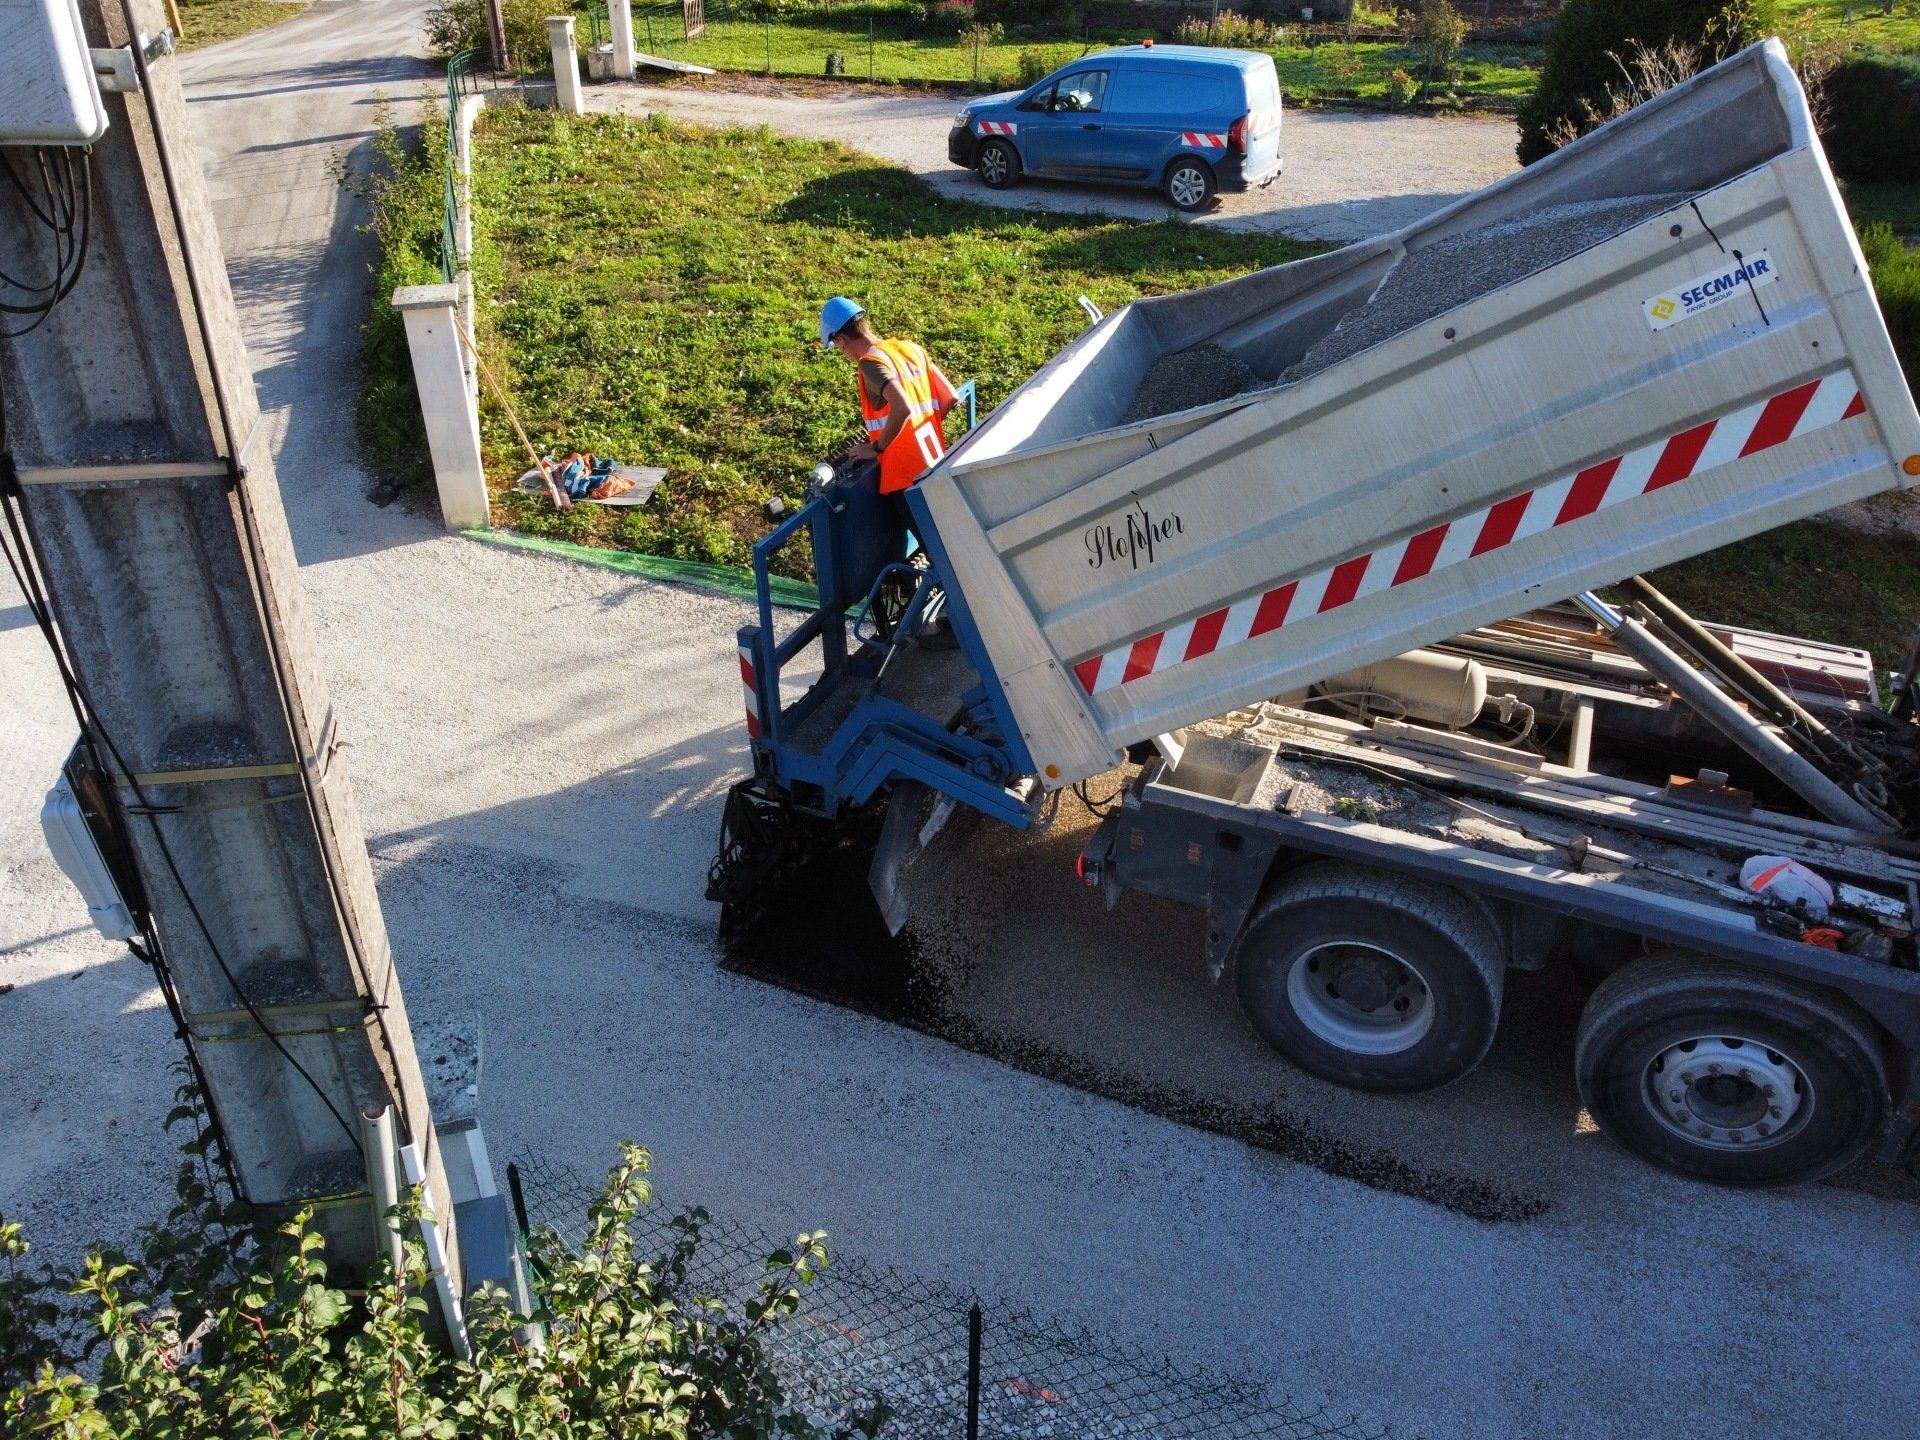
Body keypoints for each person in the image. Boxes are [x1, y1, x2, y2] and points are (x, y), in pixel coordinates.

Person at [818, 297, 959, 513]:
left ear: (841, 340)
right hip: (936, 464)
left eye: (837, 346)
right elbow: (949, 396)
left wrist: (875, 448)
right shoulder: (911, 349)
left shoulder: (870, 363)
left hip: (907, 477)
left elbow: (903, 407)